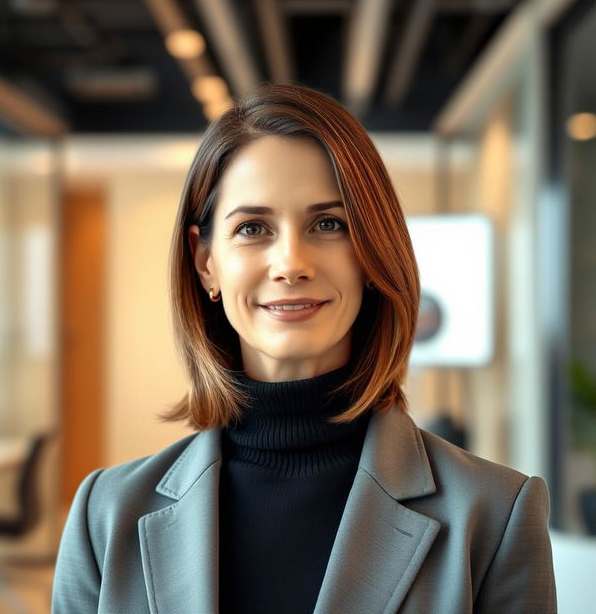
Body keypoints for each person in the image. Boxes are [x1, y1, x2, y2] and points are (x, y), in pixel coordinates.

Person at [52, 83, 556, 613]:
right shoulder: (105, 515)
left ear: (372, 253)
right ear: (206, 263)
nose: (291, 263)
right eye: (252, 228)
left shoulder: (494, 514)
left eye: (328, 224)